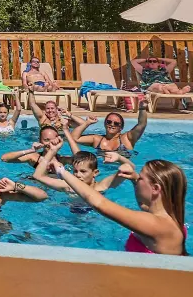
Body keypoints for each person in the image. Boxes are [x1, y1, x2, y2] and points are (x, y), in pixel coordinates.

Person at [54, 157, 187, 255]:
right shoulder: (169, 216)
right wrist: (135, 179)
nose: (137, 179)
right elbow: (144, 204)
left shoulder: (157, 225)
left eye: (140, 178)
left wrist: (62, 172)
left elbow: (100, 204)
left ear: (156, 189)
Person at [32, 137, 133, 195]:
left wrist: (119, 158)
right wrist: (52, 151)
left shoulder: (102, 186)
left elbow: (130, 169)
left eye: (83, 171)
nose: (78, 175)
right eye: (75, 171)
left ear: (95, 173)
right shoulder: (68, 186)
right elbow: (38, 176)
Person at [70, 103, 148, 152]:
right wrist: (87, 123)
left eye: (116, 123)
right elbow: (74, 139)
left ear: (121, 127)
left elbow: (141, 124)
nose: (112, 124)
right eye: (109, 122)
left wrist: (142, 109)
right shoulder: (97, 139)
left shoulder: (127, 138)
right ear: (105, 124)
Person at [0, 126, 77, 170]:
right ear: (40, 141)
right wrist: (30, 150)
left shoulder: (63, 160)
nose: (50, 143)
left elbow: (82, 159)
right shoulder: (34, 157)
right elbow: (4, 158)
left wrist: (66, 133)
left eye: (53, 140)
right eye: (46, 140)